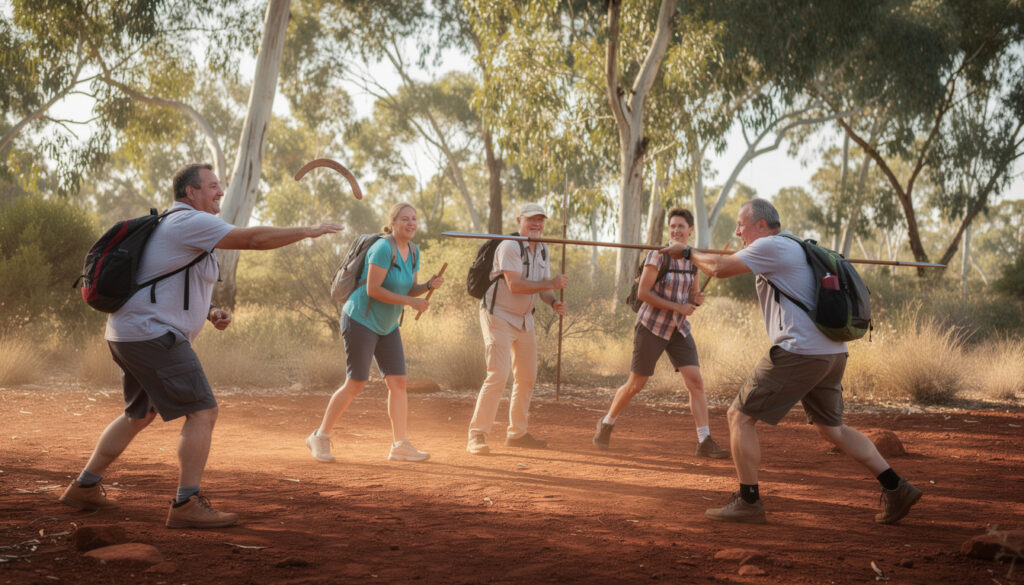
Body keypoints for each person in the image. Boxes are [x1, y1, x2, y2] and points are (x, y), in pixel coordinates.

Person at [59, 163, 343, 528]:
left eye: (219, 186)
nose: (220, 192)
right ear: (190, 193)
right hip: (152, 335)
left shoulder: (175, 224)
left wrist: (208, 311)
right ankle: (186, 504)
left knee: (138, 415)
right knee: (203, 412)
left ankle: (84, 487)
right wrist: (308, 230)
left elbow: (162, 280)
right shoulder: (189, 221)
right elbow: (253, 240)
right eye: (212, 186)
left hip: (131, 332)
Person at [661, 198, 922, 525]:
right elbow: (725, 263)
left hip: (800, 351)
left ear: (760, 225)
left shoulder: (770, 245)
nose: (737, 231)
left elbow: (719, 268)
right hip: (832, 352)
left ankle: (748, 501)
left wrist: (686, 251)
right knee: (833, 429)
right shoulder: (794, 245)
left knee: (739, 417)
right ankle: (896, 487)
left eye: (741, 225)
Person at [307, 202, 443, 464]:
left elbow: (408, 288)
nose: (411, 223)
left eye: (414, 219)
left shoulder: (414, 251)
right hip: (360, 319)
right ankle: (320, 436)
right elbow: (373, 289)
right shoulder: (382, 248)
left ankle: (400, 446)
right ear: (393, 223)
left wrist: (428, 285)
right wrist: (410, 303)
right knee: (356, 383)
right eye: (405, 219)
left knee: (398, 383)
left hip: (387, 325)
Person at [593, 208, 728, 459]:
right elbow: (643, 293)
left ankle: (704, 440)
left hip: (678, 328)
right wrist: (678, 306)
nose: (676, 230)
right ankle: (607, 422)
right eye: (672, 226)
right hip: (651, 326)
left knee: (695, 382)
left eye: (681, 226)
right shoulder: (658, 255)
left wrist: (695, 300)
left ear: (690, 230)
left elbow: (691, 294)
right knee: (636, 384)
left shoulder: (694, 260)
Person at [466, 202, 568, 455]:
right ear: (519, 221)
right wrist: (552, 283)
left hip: (524, 320)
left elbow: (543, 288)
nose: (536, 224)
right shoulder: (510, 246)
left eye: (540, 220)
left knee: (526, 377)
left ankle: (517, 433)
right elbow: (516, 285)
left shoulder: (542, 249)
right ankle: (477, 434)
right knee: (498, 374)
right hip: (498, 315)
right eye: (531, 219)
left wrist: (553, 301)